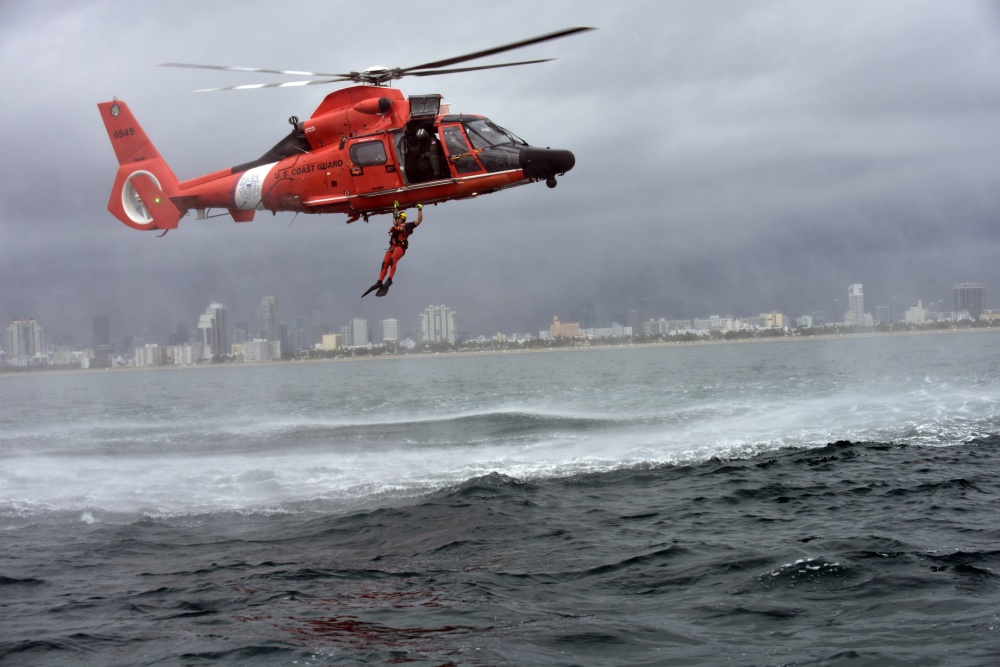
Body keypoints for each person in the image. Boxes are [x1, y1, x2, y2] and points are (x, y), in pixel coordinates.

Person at [362, 203, 424, 297]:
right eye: (396, 218)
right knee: (385, 263)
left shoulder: (408, 226)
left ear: (402, 219)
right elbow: (394, 217)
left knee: (393, 260)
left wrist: (419, 209)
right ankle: (379, 281)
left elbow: (419, 220)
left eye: (398, 218)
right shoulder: (395, 226)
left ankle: (389, 280)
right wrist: (395, 208)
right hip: (392, 248)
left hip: (400, 247)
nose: (396, 220)